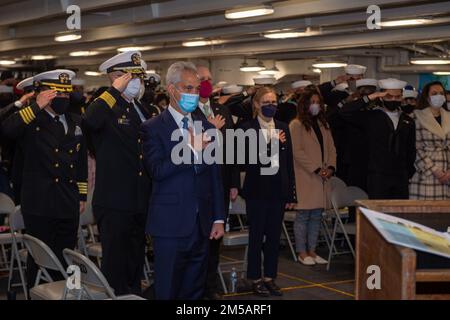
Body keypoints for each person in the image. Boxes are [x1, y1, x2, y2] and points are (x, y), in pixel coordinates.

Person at [140, 61, 225, 300]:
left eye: (197, 89)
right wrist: (189, 148)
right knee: (167, 289)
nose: (193, 94)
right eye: (188, 88)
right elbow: (157, 170)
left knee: (195, 290)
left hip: (203, 224)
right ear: (171, 89)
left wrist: (219, 217)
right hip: (169, 224)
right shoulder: (152, 128)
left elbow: (214, 176)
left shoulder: (206, 127)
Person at [2, 69, 87, 287]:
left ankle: (68, 294)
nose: (63, 99)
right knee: (39, 260)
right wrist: (35, 105)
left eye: (66, 94)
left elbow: (80, 163)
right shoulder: (30, 120)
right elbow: (6, 131)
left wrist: (82, 194)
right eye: (57, 94)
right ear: (42, 93)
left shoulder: (75, 120)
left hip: (68, 201)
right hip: (40, 202)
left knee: (68, 257)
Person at [83, 51, 151, 296]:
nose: (137, 82)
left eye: (138, 77)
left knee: (134, 260)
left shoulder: (141, 108)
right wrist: (112, 91)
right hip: (114, 200)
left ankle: (132, 295)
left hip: (139, 199)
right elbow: (89, 122)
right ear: (116, 78)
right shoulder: (105, 107)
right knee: (115, 265)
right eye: (131, 77)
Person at [239, 86, 296, 296]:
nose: (271, 106)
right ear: (256, 104)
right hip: (257, 191)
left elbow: (288, 163)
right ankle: (254, 278)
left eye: (274, 102)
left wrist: (291, 193)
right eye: (266, 102)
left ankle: (270, 277)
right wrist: (271, 144)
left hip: (278, 191)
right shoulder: (247, 129)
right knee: (256, 237)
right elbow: (248, 161)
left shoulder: (283, 127)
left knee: (273, 237)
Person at [194, 64, 240, 300]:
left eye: (209, 79)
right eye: (202, 79)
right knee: (198, 238)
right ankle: (196, 288)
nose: (206, 83)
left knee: (215, 238)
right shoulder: (189, 111)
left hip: (220, 182)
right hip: (198, 184)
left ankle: (210, 288)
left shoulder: (221, 109)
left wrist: (233, 182)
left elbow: (231, 148)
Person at [340, 78, 416, 199]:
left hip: (400, 176)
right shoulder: (372, 117)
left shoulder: (408, 120)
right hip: (377, 176)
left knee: (399, 214)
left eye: (397, 97)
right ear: (381, 97)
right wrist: (371, 97)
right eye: (389, 96)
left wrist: (408, 171)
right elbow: (345, 112)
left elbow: (411, 149)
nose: (393, 100)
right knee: (378, 213)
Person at [289, 87, 336, 265]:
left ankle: (313, 251)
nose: (315, 106)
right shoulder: (296, 124)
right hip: (305, 176)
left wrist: (331, 167)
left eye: (318, 102)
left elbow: (332, 149)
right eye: (312, 102)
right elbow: (296, 151)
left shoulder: (324, 124)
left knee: (317, 216)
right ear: (305, 105)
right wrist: (316, 169)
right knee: (303, 216)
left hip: (322, 178)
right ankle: (302, 252)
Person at [410, 81, 450, 199]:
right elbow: (415, 149)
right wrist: (436, 171)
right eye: (434, 93)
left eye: (441, 93)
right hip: (426, 174)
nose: (439, 96)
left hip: (447, 176)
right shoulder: (416, 117)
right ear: (427, 97)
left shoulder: (449, 116)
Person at [340, 78, 378, 192]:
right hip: (355, 161)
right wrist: (364, 100)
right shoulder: (353, 110)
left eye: (371, 93)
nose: (369, 97)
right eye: (365, 94)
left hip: (374, 162)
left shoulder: (378, 111)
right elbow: (344, 111)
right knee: (356, 195)